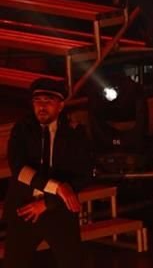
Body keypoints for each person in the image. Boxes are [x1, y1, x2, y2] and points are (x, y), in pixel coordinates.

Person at [4, 78, 94, 267]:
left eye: (48, 101)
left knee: (72, 262)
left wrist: (48, 202)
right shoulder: (22, 129)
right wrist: (57, 187)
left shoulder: (74, 133)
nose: (42, 107)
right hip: (23, 208)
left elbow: (83, 175)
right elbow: (19, 170)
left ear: (60, 105)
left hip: (57, 209)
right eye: (38, 101)